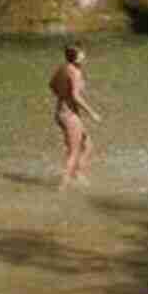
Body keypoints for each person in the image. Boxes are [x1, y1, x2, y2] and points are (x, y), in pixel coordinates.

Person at [49, 44, 101, 190]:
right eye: (82, 54)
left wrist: (62, 97)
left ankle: (77, 173)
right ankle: (62, 186)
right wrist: (92, 113)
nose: (85, 56)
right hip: (69, 116)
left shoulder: (63, 68)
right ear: (76, 57)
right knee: (73, 152)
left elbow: (51, 84)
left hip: (63, 113)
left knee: (88, 145)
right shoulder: (75, 73)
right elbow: (75, 96)